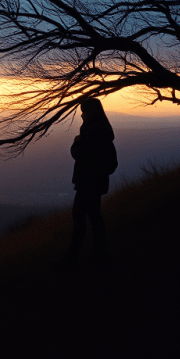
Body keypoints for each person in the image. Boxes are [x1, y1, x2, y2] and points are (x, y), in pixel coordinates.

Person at [54, 98, 117, 270]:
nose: (82, 115)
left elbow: (80, 154)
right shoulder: (103, 129)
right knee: (94, 215)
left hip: (88, 182)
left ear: (91, 112)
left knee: (79, 216)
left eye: (84, 111)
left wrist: (76, 143)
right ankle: (99, 251)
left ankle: (72, 257)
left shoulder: (93, 132)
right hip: (97, 181)